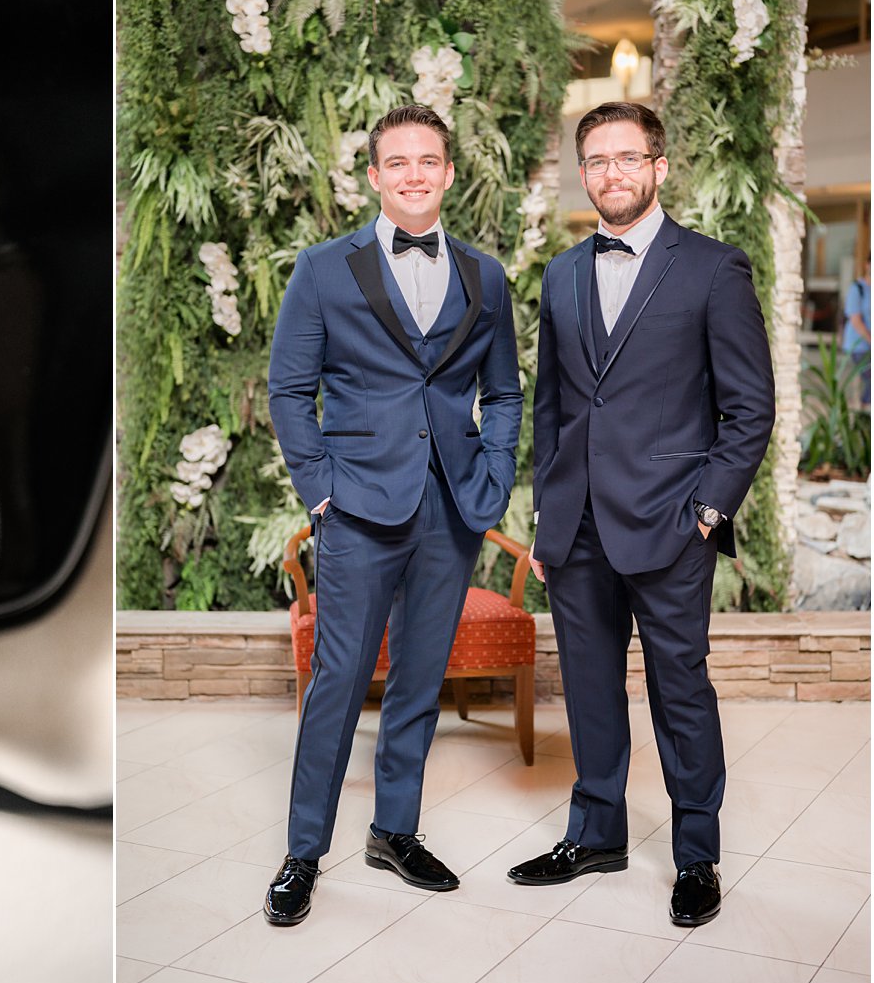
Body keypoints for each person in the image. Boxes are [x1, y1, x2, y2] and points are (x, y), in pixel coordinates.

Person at [508, 102, 774, 927]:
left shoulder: (712, 269)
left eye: (628, 158)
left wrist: (706, 511)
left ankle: (697, 855)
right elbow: (553, 408)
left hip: (669, 523)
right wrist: (551, 520)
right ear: (581, 173)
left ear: (659, 166)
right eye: (596, 160)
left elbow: (750, 409)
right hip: (578, 526)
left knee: (679, 691)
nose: (611, 173)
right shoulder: (558, 275)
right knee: (587, 687)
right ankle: (596, 834)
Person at [264, 105, 521, 925]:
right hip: (358, 507)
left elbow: (507, 393)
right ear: (373, 176)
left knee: (420, 678)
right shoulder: (322, 269)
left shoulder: (486, 277)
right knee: (339, 680)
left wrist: (494, 474)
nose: (414, 173)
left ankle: (394, 831)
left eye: (429, 161)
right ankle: (304, 852)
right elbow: (288, 392)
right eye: (397, 162)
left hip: (451, 506)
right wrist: (321, 491)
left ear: (449, 174)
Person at [841, 259, 869, 409]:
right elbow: (855, 320)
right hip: (857, 345)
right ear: (867, 264)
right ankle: (865, 412)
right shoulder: (857, 288)